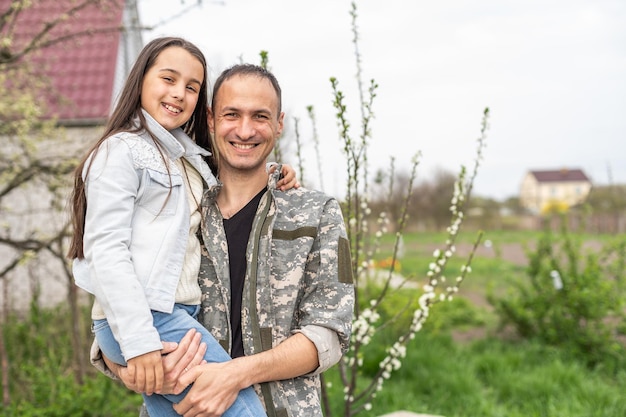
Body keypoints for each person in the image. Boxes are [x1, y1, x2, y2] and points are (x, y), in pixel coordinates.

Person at [67, 38, 297, 417]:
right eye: (168, 79)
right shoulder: (122, 151)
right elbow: (106, 252)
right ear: (141, 79)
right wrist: (140, 343)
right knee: (246, 412)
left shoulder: (183, 155)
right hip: (149, 319)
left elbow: (230, 177)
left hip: (172, 316)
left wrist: (275, 173)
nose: (179, 93)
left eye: (191, 87)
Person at [137, 63, 355, 417]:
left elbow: (328, 335)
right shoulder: (172, 207)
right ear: (210, 119)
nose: (244, 130)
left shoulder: (317, 213)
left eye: (260, 116)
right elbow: (117, 308)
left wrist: (234, 375)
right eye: (231, 114)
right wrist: (133, 367)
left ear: (279, 124)